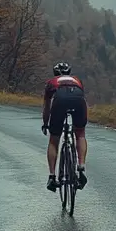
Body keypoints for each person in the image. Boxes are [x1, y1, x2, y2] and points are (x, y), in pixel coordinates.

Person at [41, 62, 87, 192]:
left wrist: (46, 124)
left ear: (56, 74)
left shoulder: (52, 82)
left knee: (54, 139)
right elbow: (82, 98)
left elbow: (47, 107)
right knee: (80, 134)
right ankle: (81, 167)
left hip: (60, 100)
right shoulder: (77, 80)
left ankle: (52, 176)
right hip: (78, 98)